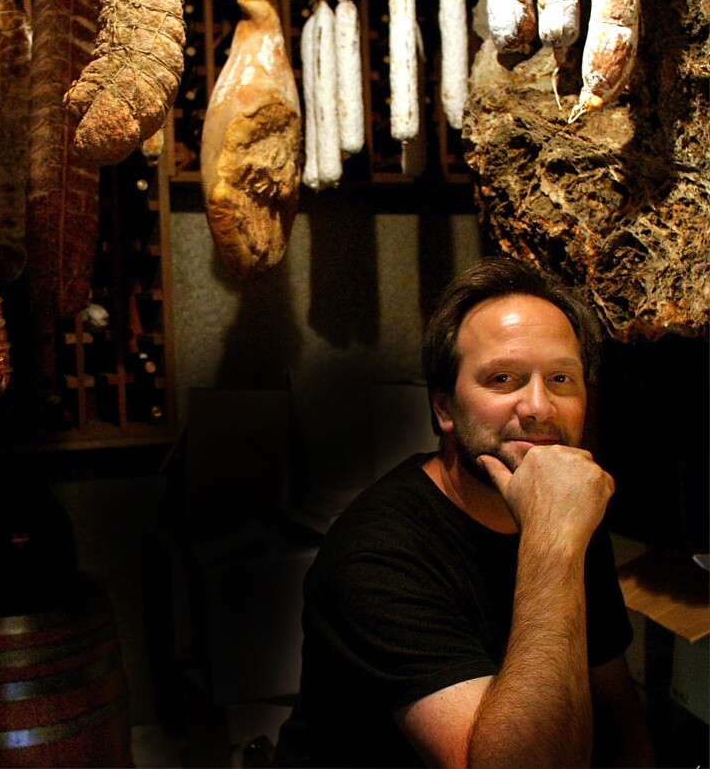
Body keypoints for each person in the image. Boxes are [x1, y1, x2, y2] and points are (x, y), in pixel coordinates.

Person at [274, 256, 654, 768]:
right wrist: (553, 537)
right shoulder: (374, 555)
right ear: (445, 409)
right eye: (503, 379)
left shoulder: (567, 503)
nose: (539, 407)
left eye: (562, 378)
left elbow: (614, 711)